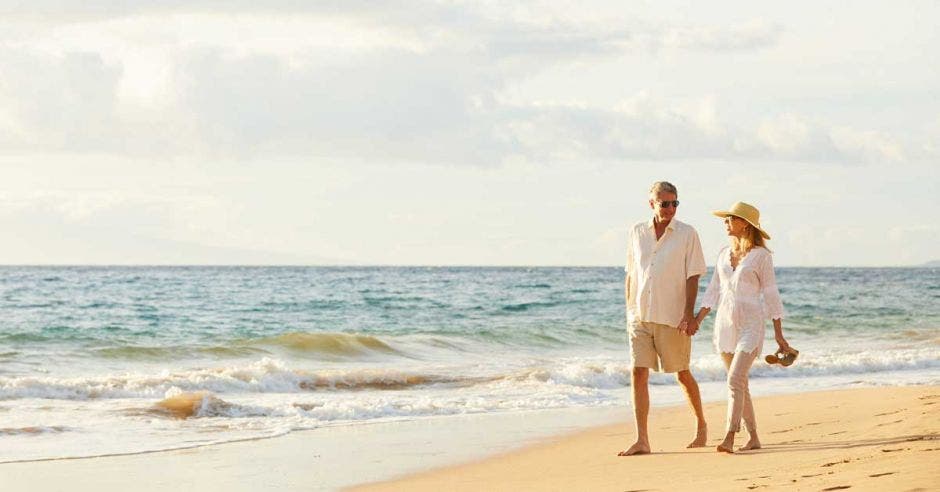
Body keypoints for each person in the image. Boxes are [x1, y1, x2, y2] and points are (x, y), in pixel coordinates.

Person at [693, 201, 795, 453]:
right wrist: (698, 319)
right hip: (725, 324)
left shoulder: (761, 256)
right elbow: (714, 289)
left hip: (751, 324)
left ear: (745, 224)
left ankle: (730, 435)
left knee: (735, 379)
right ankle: (754, 437)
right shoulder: (722, 255)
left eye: (730, 218)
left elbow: (771, 294)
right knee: (739, 383)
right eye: (726, 219)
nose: (725, 222)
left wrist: (779, 335)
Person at [619, 181, 708, 456]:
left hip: (673, 317)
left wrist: (689, 314)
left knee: (681, 373)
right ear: (652, 204)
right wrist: (630, 309)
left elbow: (693, 275)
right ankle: (642, 439)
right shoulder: (636, 232)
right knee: (638, 372)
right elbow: (631, 273)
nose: (670, 208)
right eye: (664, 203)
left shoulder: (687, 234)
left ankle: (702, 425)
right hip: (639, 315)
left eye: (674, 203)